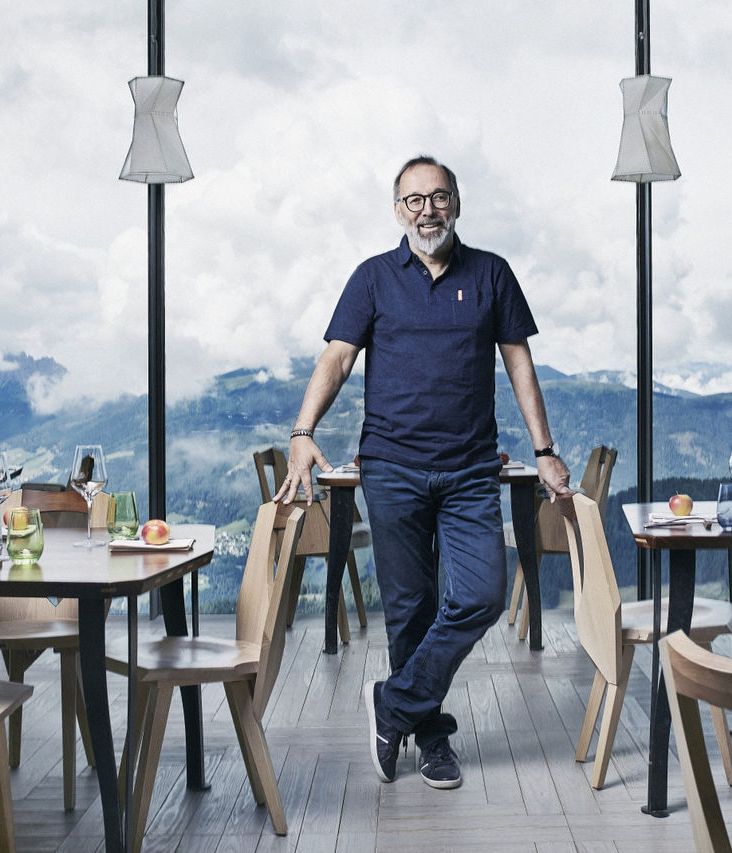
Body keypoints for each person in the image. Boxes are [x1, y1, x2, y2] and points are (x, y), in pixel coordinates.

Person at [277, 155, 571, 790]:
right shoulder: (373, 278)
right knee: (409, 610)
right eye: (414, 200)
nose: (427, 210)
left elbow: (520, 365)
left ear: (457, 203)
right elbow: (337, 358)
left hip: (469, 470)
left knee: (482, 594)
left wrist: (544, 448)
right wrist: (302, 432)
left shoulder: (492, 274)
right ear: (397, 210)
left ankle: (393, 704)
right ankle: (430, 735)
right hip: (392, 469)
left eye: (439, 197)